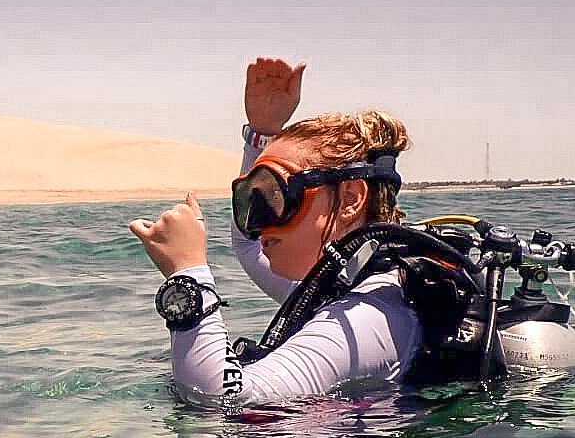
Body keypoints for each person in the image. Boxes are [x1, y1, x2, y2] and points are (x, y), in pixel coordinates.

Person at [129, 58, 417, 405]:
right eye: (252, 198)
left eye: (276, 197)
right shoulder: (345, 284)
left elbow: (222, 399)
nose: (260, 222)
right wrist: (260, 134)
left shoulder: (365, 318)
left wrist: (187, 275)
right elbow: (249, 247)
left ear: (351, 199)